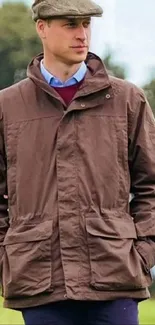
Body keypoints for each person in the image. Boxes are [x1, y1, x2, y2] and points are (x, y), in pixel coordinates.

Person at [0, 0, 155, 324]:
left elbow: (151, 186)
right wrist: (6, 257)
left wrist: (142, 253)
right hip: (39, 280)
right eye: (71, 24)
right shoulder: (8, 106)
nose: (82, 34)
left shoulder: (127, 100)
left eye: (86, 24)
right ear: (41, 27)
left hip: (115, 277)